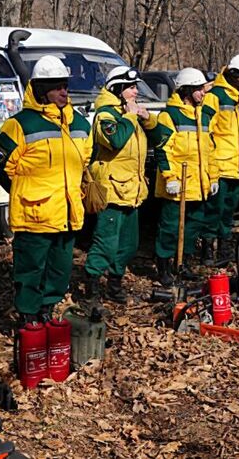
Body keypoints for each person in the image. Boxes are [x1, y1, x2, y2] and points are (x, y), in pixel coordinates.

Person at [0, 55, 91, 325]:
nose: (63, 92)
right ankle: (28, 315)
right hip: (34, 216)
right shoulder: (20, 124)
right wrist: (22, 192)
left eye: (65, 86)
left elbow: (85, 162)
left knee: (60, 268)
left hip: (67, 213)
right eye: (56, 86)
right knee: (30, 269)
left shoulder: (80, 124)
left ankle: (47, 310)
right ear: (40, 90)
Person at [84, 66, 156, 303]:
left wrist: (149, 120)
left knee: (128, 245)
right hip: (112, 191)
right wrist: (131, 116)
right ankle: (92, 287)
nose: (136, 92)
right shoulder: (106, 115)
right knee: (105, 242)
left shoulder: (130, 113)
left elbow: (162, 137)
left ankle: (115, 285)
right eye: (131, 87)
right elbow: (115, 140)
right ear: (117, 89)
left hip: (133, 191)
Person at [151, 68, 218, 286]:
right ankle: (164, 266)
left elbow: (211, 150)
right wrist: (169, 177)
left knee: (193, 226)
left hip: (199, 185)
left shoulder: (205, 116)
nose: (203, 93)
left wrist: (213, 177)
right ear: (187, 91)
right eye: (199, 89)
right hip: (177, 185)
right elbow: (163, 149)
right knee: (170, 227)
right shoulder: (169, 115)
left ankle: (183, 264)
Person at [201, 54, 239, 265]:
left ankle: (223, 248)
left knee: (229, 212)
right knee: (214, 210)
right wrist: (211, 168)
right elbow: (205, 132)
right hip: (221, 165)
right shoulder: (215, 96)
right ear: (234, 74)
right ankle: (207, 250)